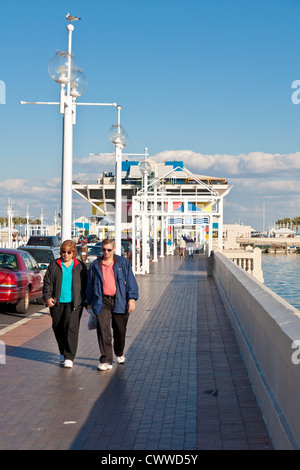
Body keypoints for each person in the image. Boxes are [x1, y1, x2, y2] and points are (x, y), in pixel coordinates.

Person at [86, 238, 138, 371]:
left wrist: (131, 299)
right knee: (103, 331)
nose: (106, 252)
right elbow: (90, 285)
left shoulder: (123, 263)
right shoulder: (95, 265)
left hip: (120, 300)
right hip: (102, 301)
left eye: (109, 250)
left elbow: (131, 281)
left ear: (114, 249)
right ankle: (106, 360)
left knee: (120, 330)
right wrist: (89, 302)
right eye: (104, 250)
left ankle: (119, 353)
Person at [43, 240, 87, 368]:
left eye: (69, 252)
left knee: (71, 328)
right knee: (58, 328)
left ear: (73, 253)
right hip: (57, 303)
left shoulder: (80, 266)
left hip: (74, 304)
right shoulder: (54, 265)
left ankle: (69, 356)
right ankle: (62, 351)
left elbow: (86, 285)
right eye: (63, 252)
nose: (65, 255)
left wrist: (86, 301)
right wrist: (47, 298)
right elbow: (47, 283)